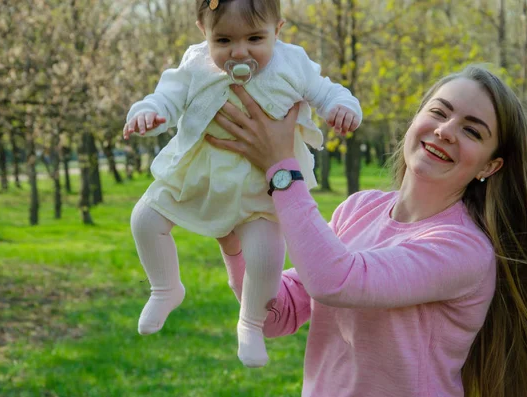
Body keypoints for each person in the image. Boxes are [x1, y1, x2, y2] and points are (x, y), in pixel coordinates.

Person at [209, 65, 527, 396]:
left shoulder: (464, 249)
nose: (446, 130)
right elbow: (275, 316)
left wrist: (281, 170)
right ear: (416, 119)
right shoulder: (358, 209)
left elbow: (334, 280)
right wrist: (235, 246)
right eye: (439, 112)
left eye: (471, 130)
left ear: (489, 166)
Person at [122, 0, 362, 368]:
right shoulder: (194, 64)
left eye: (254, 38)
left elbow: (327, 91)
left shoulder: (293, 62)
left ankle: (250, 322)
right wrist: (148, 114)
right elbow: (165, 99)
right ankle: (165, 287)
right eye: (223, 40)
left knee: (266, 255)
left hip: (258, 187)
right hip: (199, 174)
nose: (239, 52)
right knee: (145, 219)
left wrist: (341, 108)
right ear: (204, 33)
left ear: (277, 31)